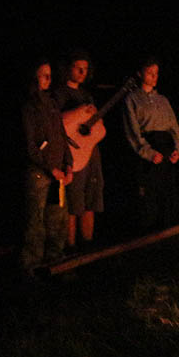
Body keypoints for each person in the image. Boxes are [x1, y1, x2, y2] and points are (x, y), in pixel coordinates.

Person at [21, 59, 72, 274]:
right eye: (44, 75)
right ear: (34, 77)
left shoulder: (52, 104)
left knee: (58, 219)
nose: (48, 79)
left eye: (50, 75)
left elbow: (61, 135)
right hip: (40, 175)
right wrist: (50, 168)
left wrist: (68, 164)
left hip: (58, 174)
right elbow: (30, 145)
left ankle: (55, 263)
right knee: (36, 223)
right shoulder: (29, 108)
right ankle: (31, 268)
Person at [122, 57, 179, 231]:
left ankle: (168, 229)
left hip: (166, 148)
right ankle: (149, 232)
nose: (154, 77)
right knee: (149, 193)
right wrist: (148, 152)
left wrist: (178, 149)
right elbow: (132, 131)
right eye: (150, 73)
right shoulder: (132, 99)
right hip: (149, 148)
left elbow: (174, 127)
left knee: (167, 191)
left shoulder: (163, 100)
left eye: (156, 73)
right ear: (140, 73)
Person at [53, 50, 104, 249]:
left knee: (91, 198)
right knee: (74, 202)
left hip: (90, 152)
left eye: (85, 68)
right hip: (72, 154)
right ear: (68, 69)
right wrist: (79, 112)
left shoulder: (86, 95)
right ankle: (71, 247)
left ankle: (88, 245)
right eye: (78, 68)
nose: (83, 72)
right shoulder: (59, 93)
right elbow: (58, 123)